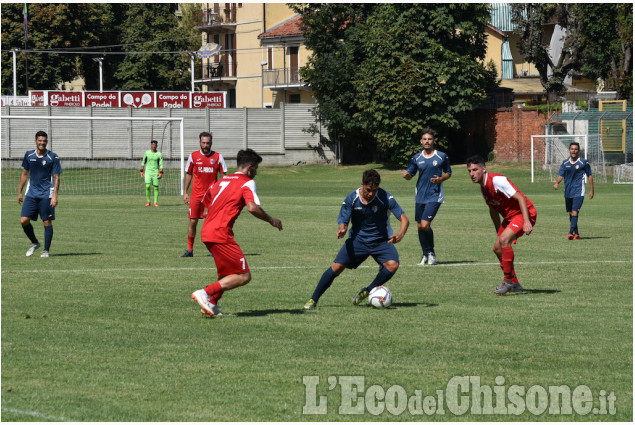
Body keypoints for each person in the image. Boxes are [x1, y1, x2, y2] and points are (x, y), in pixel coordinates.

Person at [191, 149, 283, 317]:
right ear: (250, 168)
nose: (255, 173)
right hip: (221, 233)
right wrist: (271, 220)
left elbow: (204, 208)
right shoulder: (247, 182)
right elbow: (252, 207)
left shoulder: (222, 180)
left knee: (226, 273)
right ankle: (204, 292)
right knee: (243, 276)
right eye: (255, 169)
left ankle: (212, 303)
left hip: (207, 231)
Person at [304, 169, 409, 310]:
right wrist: (342, 229)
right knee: (336, 267)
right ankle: (313, 299)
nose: (371, 193)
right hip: (358, 241)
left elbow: (404, 219)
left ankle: (367, 291)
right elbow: (344, 220)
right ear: (362, 184)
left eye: (374, 190)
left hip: (381, 240)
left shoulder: (385, 197)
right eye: (368, 190)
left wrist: (400, 234)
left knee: (393, 264)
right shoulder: (352, 198)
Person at [466, 155, 537, 295]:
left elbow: (520, 198)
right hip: (510, 218)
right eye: (469, 171)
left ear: (484, 169)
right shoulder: (483, 188)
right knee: (497, 247)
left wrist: (527, 221)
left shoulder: (497, 180)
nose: (472, 174)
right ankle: (514, 282)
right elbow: (493, 210)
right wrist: (499, 230)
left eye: (475, 170)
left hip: (523, 213)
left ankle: (507, 281)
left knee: (504, 240)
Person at [402, 128, 451, 265]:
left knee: (425, 224)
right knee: (420, 227)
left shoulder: (441, 156)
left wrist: (440, 179)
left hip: (435, 195)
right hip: (420, 197)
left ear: (433, 141)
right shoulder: (416, 158)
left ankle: (431, 253)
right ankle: (424, 254)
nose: (427, 141)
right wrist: (406, 176)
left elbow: (448, 173)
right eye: (425, 139)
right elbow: (410, 174)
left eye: (429, 139)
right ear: (421, 141)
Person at [181, 131, 227, 257]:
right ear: (200, 143)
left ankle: (213, 250)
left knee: (211, 222)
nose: (206, 145)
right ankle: (190, 250)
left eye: (208, 143)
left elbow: (223, 176)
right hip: (196, 195)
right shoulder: (193, 156)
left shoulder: (218, 157)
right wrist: (185, 192)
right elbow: (189, 174)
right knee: (193, 221)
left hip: (211, 196)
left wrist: (222, 193)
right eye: (203, 142)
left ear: (211, 143)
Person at [17, 130, 62, 258]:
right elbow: (25, 173)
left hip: (46, 195)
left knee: (46, 222)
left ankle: (46, 251)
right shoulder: (29, 155)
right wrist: (20, 192)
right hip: (31, 194)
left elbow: (57, 177)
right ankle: (35, 243)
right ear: (35, 141)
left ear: (46, 142)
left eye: (44, 141)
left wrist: (55, 196)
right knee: (23, 220)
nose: (42, 143)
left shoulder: (53, 157)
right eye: (40, 141)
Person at [553, 142, 594, 240]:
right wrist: (557, 183)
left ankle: (570, 233)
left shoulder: (583, 163)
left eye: (576, 149)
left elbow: (590, 176)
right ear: (569, 150)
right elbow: (560, 175)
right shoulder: (565, 163)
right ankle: (577, 233)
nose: (574, 151)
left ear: (578, 151)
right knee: (571, 213)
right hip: (568, 191)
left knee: (575, 211)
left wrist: (592, 190)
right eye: (572, 149)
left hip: (579, 191)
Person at [140, 140, 164, 207]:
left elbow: (161, 164)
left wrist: (161, 172)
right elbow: (143, 162)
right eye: (152, 144)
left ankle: (155, 202)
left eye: (155, 145)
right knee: (147, 186)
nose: (154, 146)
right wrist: (141, 171)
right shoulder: (147, 153)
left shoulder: (159, 154)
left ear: (157, 146)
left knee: (156, 187)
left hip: (155, 172)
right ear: (151, 145)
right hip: (148, 171)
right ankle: (148, 201)